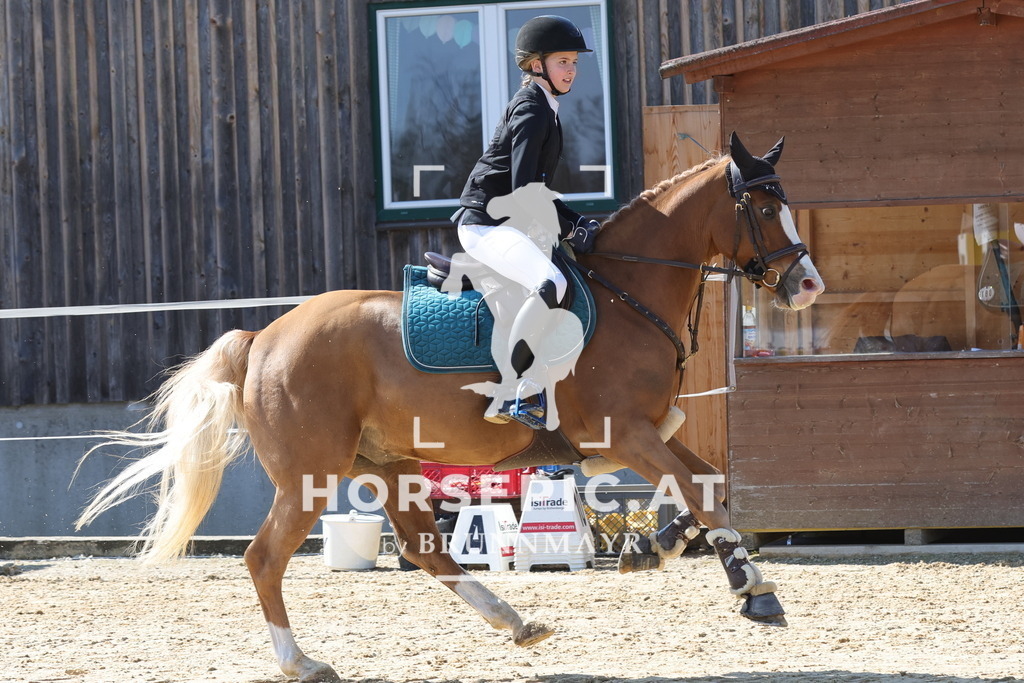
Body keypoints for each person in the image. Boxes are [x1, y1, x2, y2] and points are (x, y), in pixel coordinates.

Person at [450, 15, 601, 428]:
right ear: (537, 65)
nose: (571, 69)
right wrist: (569, 226)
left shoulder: (545, 107)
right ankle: (511, 389)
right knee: (552, 283)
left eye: (574, 62)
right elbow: (522, 191)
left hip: (506, 222)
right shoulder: (533, 109)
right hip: (485, 224)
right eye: (563, 62)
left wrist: (575, 219)